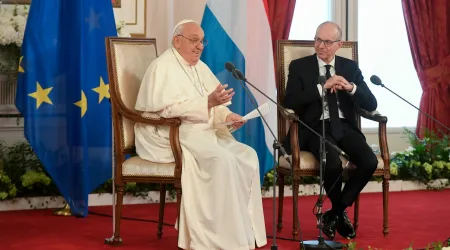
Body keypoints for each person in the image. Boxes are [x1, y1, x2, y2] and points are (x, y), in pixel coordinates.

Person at [134, 20, 267, 250]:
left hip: (200, 129)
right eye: (194, 41)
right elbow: (166, 110)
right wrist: (207, 103)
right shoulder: (162, 67)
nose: (199, 47)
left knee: (247, 155)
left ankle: (242, 233)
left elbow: (212, 106)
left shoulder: (200, 67)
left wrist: (226, 116)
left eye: (202, 41)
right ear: (177, 41)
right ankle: (212, 236)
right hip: (168, 131)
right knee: (221, 160)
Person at [282, 21, 379, 240]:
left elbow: (371, 104)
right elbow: (290, 100)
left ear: (339, 44)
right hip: (314, 126)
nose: (321, 45)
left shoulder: (350, 68)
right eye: (317, 39)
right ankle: (340, 214)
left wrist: (351, 88)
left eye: (327, 42)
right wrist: (321, 88)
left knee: (369, 161)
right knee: (331, 161)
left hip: (344, 126)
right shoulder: (299, 66)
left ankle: (334, 213)